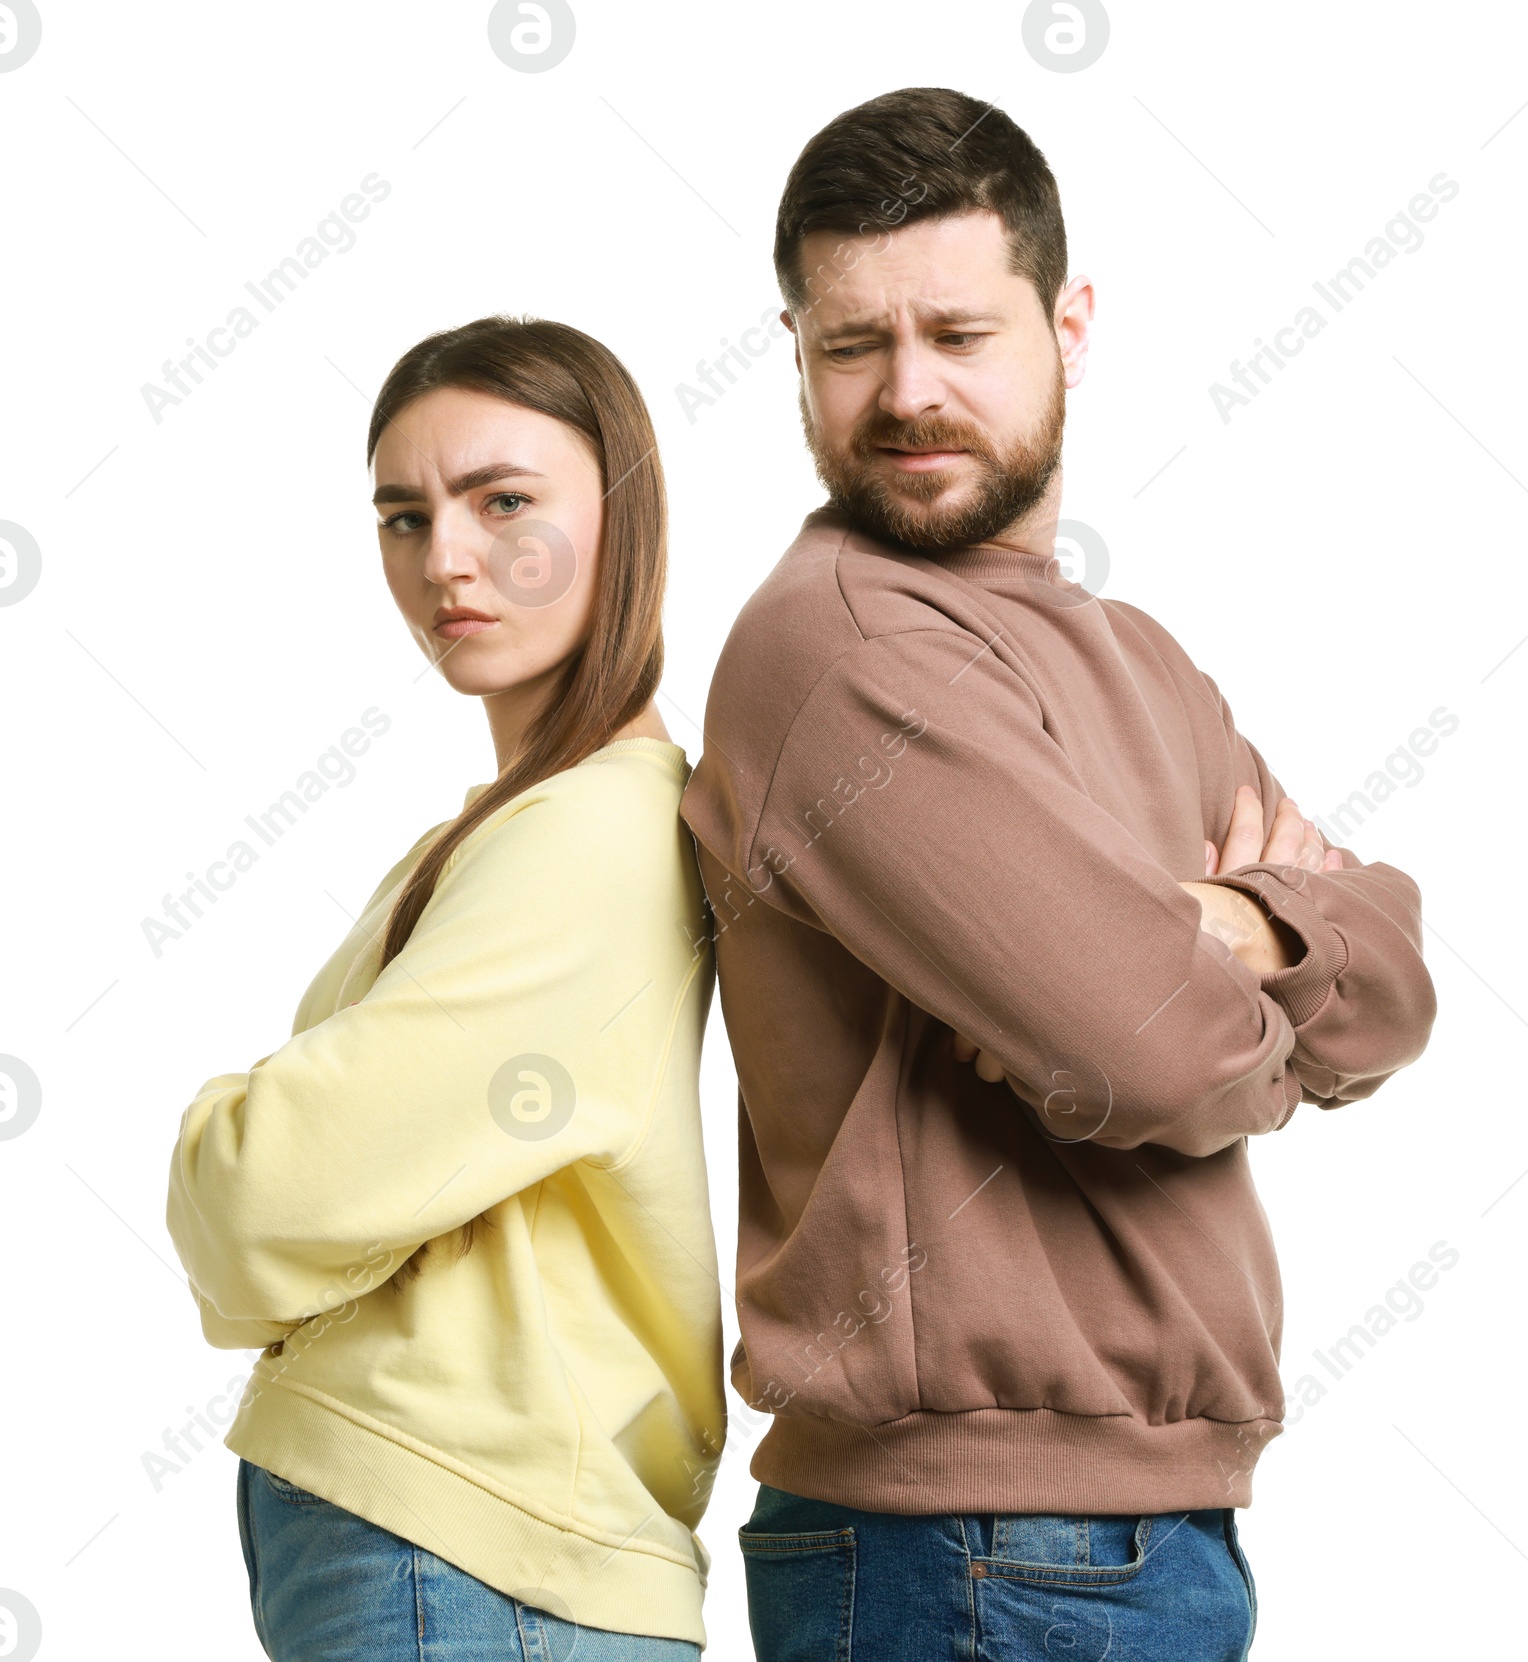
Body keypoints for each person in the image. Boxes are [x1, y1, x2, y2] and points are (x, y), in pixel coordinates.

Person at [679, 88, 1437, 1661]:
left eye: (959, 333)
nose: (906, 393)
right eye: (849, 346)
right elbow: (1155, 1049)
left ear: (1069, 324)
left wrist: (1231, 925)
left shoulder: (1138, 658)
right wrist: (1213, 976)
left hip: (1126, 1540)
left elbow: (1399, 982)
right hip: (968, 1548)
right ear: (795, 352)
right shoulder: (846, 645)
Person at [166, 316, 724, 1660]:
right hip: (455, 1540)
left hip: (469, 1540)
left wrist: (219, 1135)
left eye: (505, 501)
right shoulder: (491, 833)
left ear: (628, 515)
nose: (448, 560)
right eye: (404, 516)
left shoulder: (596, 834)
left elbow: (268, 1190)